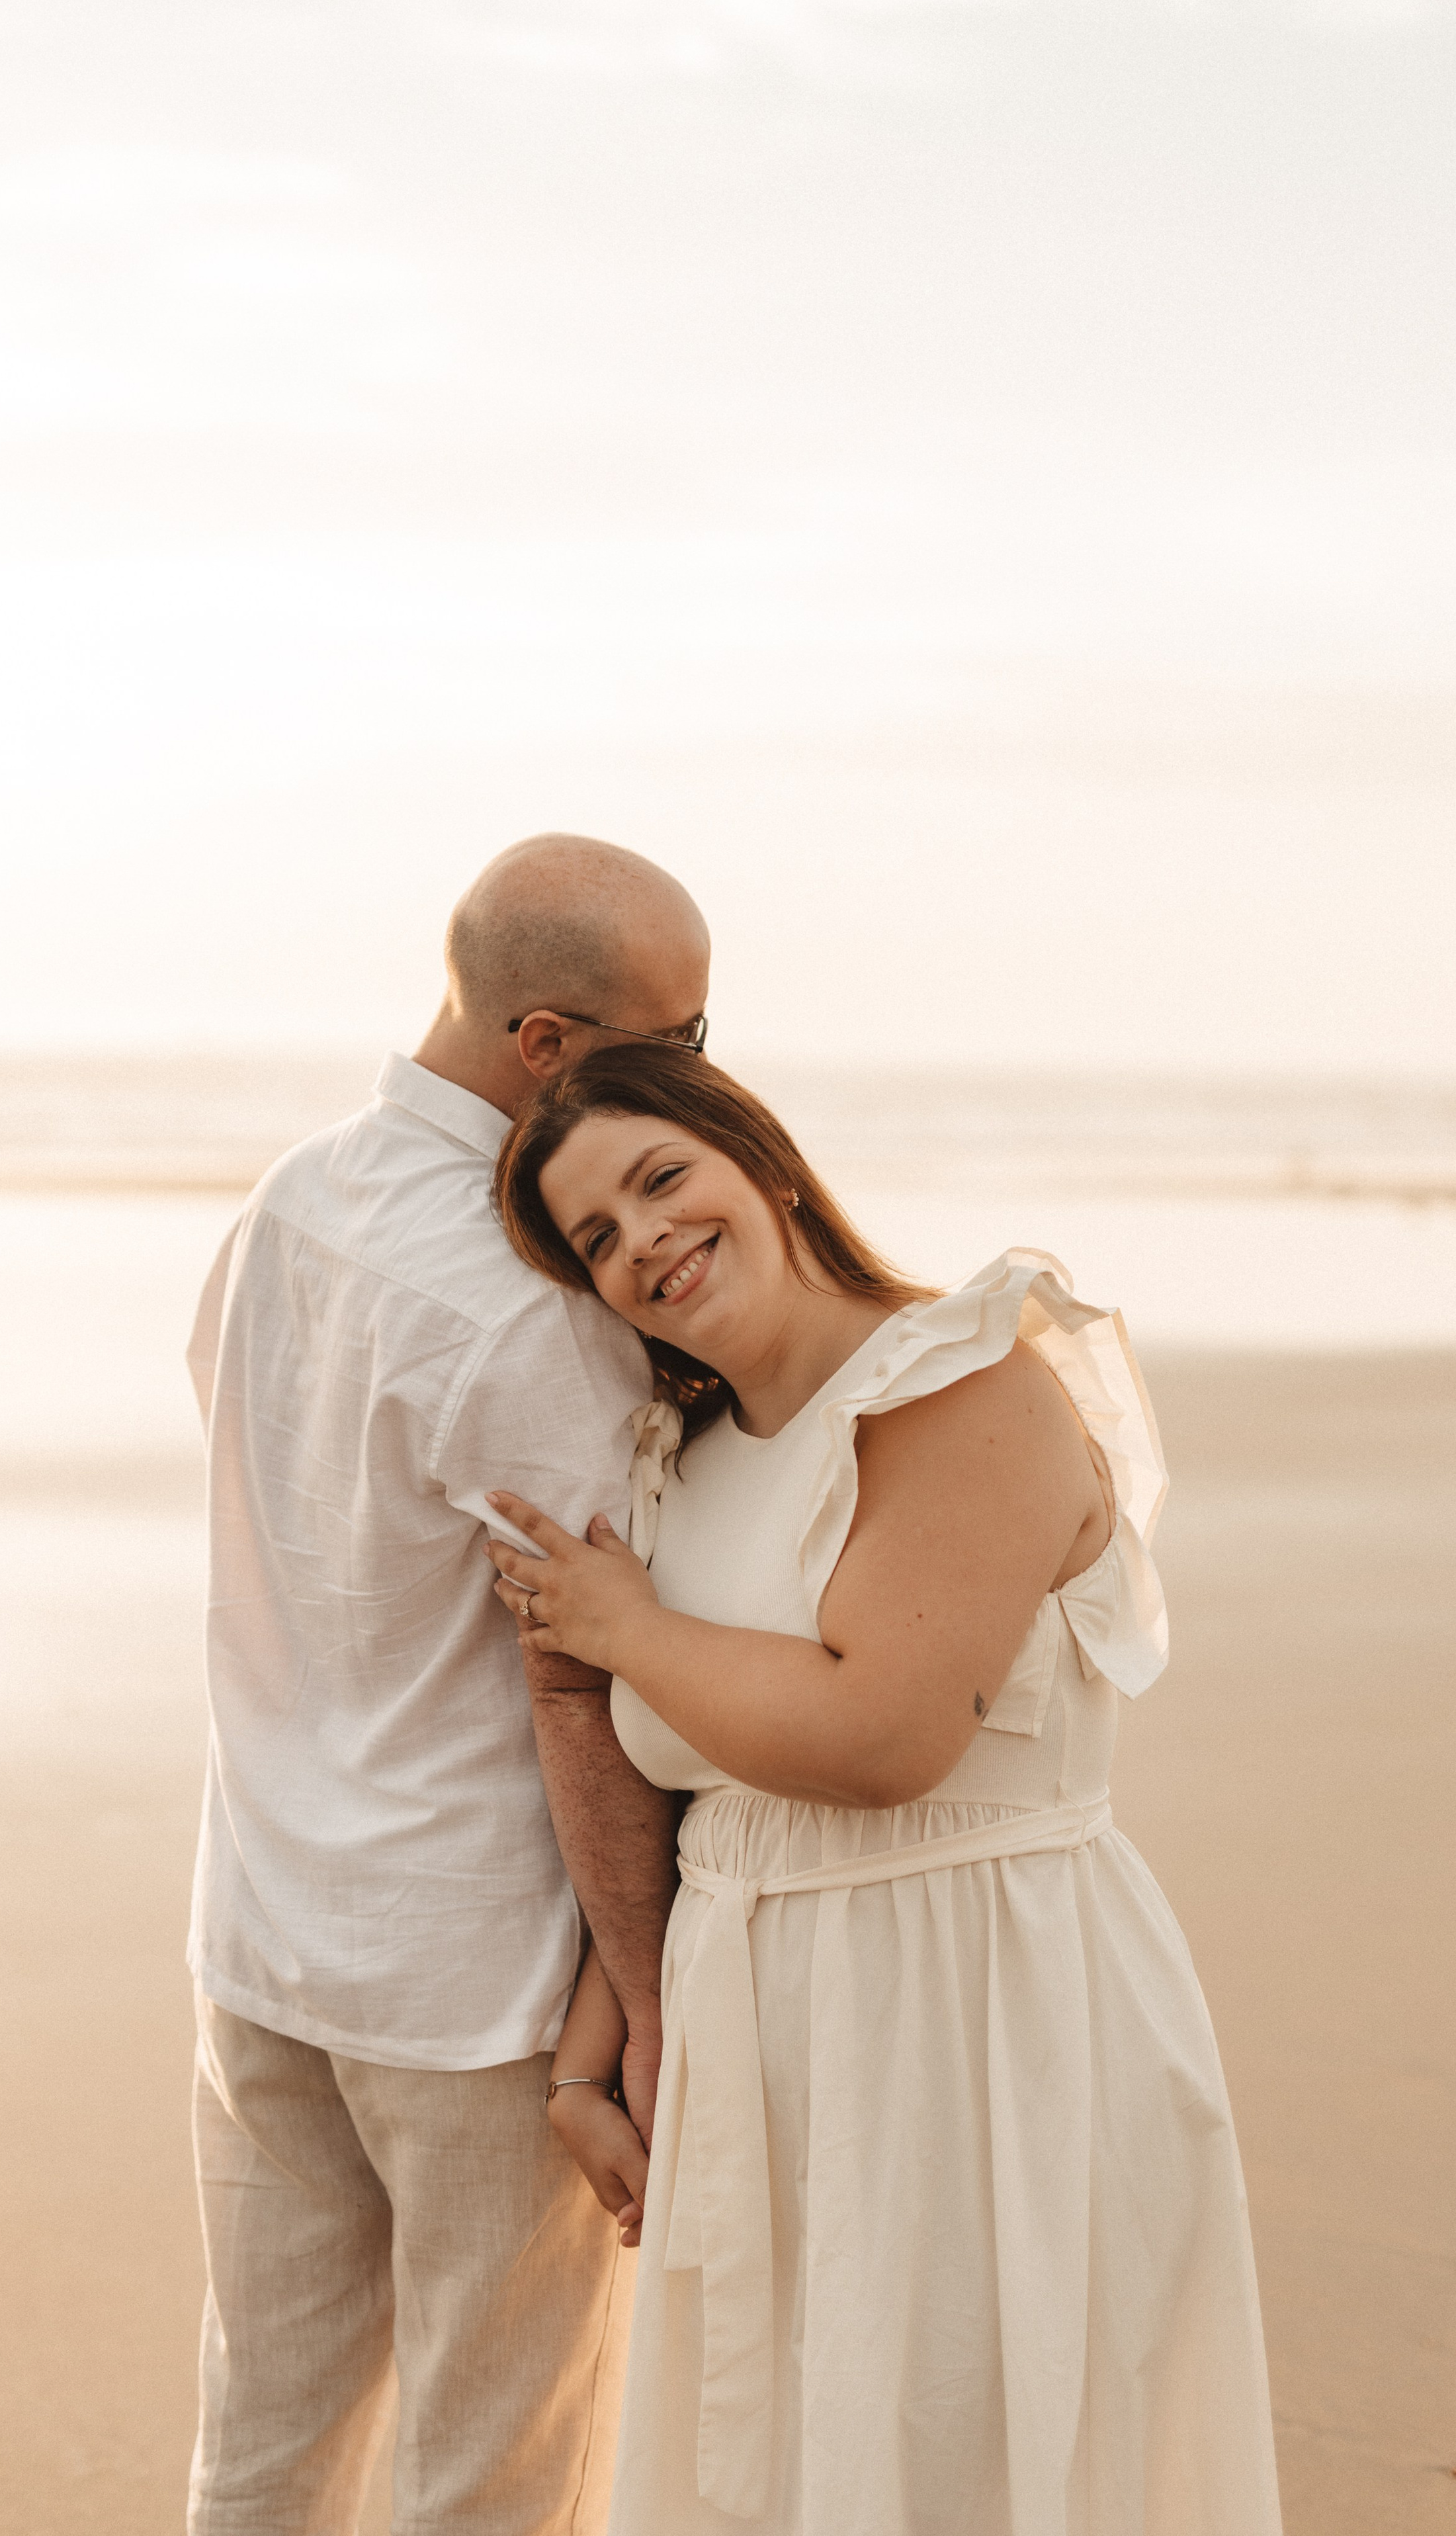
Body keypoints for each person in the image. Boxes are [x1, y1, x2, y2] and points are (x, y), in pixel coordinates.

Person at [486, 1045, 1283, 2536]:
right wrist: (589, 2064)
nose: (640, 1242)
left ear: (767, 1167)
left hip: (975, 2010)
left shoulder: (965, 1378)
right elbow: (704, 1804)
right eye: (595, 1238)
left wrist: (621, 1628)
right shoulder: (687, 1453)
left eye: (661, 1181)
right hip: (753, 2033)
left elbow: (876, 1738)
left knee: (966, 2455)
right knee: (773, 2470)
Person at [182, 838, 710, 2535]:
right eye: (677, 1039)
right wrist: (640, 1997)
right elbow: (595, 1670)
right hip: (469, 1982)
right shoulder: (530, 1304)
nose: (705, 1073)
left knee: (259, 2453)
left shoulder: (293, 1195)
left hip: (261, 1920)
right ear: (549, 1042)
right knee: (489, 2481)